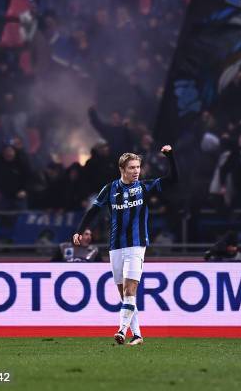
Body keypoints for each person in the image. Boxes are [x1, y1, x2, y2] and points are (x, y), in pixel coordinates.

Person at [73, 146, 178, 346]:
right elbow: (93, 211)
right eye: (132, 168)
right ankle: (137, 335)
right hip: (115, 247)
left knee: (131, 290)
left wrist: (170, 157)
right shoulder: (110, 189)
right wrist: (80, 230)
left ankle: (121, 331)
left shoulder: (145, 187)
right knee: (125, 296)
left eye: (138, 167)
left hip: (136, 245)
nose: (136, 171)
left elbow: (173, 180)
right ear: (122, 169)